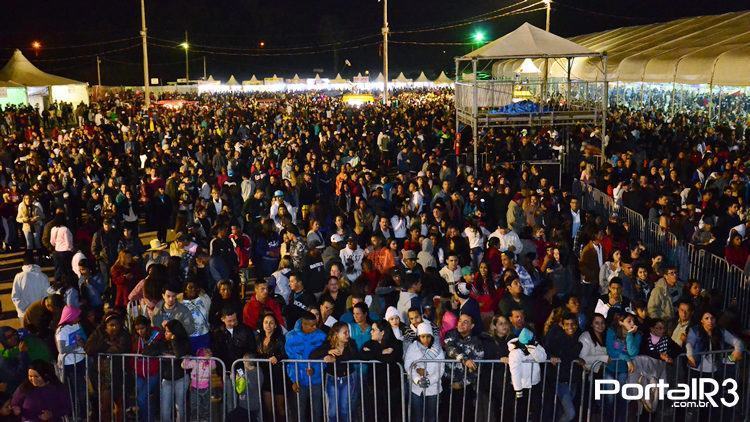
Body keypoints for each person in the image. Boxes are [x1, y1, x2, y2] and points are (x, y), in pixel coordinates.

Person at [84, 311, 131, 422]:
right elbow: (88, 348)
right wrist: (106, 344)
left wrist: (103, 347)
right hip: (104, 374)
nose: (114, 328)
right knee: (105, 406)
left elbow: (120, 349)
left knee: (120, 405)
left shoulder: (124, 334)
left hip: (120, 373)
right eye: (111, 325)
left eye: (117, 325)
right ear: (106, 326)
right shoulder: (98, 332)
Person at [310, 322, 361, 422]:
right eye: (345, 332)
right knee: (332, 411)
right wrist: (327, 352)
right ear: (336, 334)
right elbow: (313, 355)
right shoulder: (328, 344)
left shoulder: (351, 343)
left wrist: (335, 359)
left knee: (344, 410)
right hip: (331, 378)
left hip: (348, 378)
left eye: (348, 332)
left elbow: (353, 356)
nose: (348, 335)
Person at [285, 312, 326, 422]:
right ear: (303, 324)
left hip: (316, 380)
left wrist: (315, 369)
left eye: (315, 324)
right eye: (312, 325)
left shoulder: (321, 336)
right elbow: (290, 361)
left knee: (317, 411)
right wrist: (294, 379)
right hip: (299, 380)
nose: (315, 327)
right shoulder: (290, 337)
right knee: (299, 412)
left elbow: (325, 358)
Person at [360, 320, 403, 422]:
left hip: (392, 387)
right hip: (374, 387)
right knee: (374, 414)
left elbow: (391, 358)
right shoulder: (369, 343)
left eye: (374, 330)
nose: (371, 332)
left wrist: (372, 354)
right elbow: (362, 355)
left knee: (391, 414)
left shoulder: (396, 343)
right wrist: (381, 352)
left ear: (382, 332)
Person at [545, 312, 584, 422]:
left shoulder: (580, 336)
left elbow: (576, 353)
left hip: (573, 379)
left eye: (573, 324)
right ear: (562, 325)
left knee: (562, 412)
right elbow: (545, 349)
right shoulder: (556, 336)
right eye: (567, 324)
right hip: (559, 380)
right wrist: (551, 356)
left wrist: (580, 360)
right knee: (570, 413)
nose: (570, 327)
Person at [604, 311, 642, 422]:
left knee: (622, 399)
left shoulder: (637, 334)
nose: (632, 323)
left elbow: (632, 352)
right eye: (628, 321)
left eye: (633, 321)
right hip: (610, 369)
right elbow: (611, 351)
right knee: (609, 400)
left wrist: (630, 334)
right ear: (621, 322)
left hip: (624, 371)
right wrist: (626, 359)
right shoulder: (612, 331)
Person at [404, 321, 444, 422]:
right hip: (416, 388)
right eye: (422, 336)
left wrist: (429, 380)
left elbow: (441, 369)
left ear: (432, 336)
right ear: (418, 336)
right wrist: (417, 379)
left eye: (428, 336)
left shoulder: (437, 349)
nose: (425, 339)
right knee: (417, 417)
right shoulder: (412, 347)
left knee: (432, 417)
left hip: (433, 388)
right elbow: (408, 365)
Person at [156, 319, 191, 422]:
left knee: (180, 406)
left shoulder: (184, 341)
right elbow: (149, 350)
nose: (165, 333)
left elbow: (178, 353)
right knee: (165, 408)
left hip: (181, 378)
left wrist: (173, 339)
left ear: (175, 333)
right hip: (166, 379)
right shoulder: (162, 341)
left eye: (168, 331)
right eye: (165, 331)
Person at [131, 315, 164, 422]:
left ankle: (147, 419)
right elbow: (132, 354)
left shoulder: (156, 334)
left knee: (142, 398)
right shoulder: (135, 338)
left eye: (142, 328)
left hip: (153, 373)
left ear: (147, 326)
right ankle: (149, 418)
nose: (140, 331)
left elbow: (156, 348)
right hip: (139, 374)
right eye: (137, 329)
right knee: (143, 399)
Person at [255, 313, 286, 420]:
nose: (268, 325)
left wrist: (277, 357)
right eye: (266, 322)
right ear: (262, 324)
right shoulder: (258, 337)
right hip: (264, 375)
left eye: (271, 323)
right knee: (268, 408)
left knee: (280, 408)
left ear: (275, 325)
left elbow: (285, 354)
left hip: (277, 375)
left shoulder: (280, 338)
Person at [180, 348, 216, 422]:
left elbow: (214, 367)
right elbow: (184, 366)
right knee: (194, 406)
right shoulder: (195, 361)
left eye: (210, 352)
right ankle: (194, 420)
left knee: (205, 406)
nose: (209, 353)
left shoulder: (210, 362)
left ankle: (205, 420)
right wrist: (186, 359)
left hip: (206, 388)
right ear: (202, 354)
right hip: (194, 388)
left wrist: (211, 360)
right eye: (207, 352)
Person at [11, 253, 50, 319]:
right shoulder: (43, 276)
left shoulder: (19, 276)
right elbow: (47, 295)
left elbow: (15, 296)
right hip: (39, 312)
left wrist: (24, 308)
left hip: (24, 314)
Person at [179, 280, 211, 353]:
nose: (193, 289)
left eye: (194, 287)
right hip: (188, 338)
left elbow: (209, 312)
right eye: (190, 287)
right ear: (185, 290)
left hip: (204, 336)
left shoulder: (204, 299)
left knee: (204, 361)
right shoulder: (179, 302)